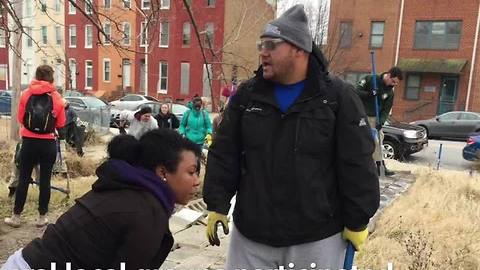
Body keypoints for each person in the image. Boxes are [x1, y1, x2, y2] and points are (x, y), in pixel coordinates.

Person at [203, 5, 380, 270]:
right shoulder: (248, 96)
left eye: (272, 45)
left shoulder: (337, 98)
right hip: (253, 236)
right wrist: (217, 202)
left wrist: (358, 220)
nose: (263, 52)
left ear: (299, 49)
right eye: (261, 44)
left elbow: (357, 162)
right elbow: (224, 151)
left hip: (316, 238)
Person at [1, 129, 201, 270]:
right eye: (191, 172)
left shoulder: (128, 189)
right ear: (162, 172)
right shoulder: (146, 212)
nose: (197, 182)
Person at [4, 65, 66, 228]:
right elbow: (61, 123)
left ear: (36, 76)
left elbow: (20, 119)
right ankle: (42, 217)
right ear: (51, 78)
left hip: (29, 142)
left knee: (23, 178)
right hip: (47, 143)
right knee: (45, 180)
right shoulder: (57, 97)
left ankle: (16, 217)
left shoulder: (26, 94)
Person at [355, 66, 403, 175]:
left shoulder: (390, 93)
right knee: (373, 141)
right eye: (394, 81)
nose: (394, 85)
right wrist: (369, 94)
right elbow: (355, 92)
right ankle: (379, 166)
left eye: (396, 83)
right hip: (362, 115)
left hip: (375, 118)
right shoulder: (371, 79)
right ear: (389, 76)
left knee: (380, 138)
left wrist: (380, 121)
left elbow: (386, 110)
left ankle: (378, 165)